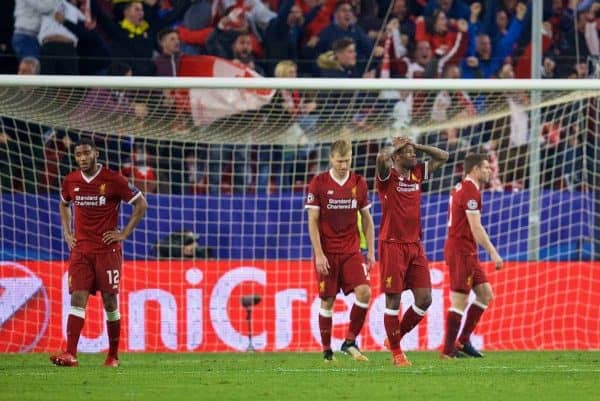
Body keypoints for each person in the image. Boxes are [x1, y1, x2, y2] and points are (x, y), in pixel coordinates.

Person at [50, 138, 148, 367]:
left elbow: (141, 204)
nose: (82, 158)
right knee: (77, 298)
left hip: (107, 250)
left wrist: (123, 233)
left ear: (96, 154)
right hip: (81, 250)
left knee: (110, 301)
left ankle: (113, 356)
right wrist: (67, 231)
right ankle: (70, 354)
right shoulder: (71, 180)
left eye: (86, 153)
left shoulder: (114, 180)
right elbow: (63, 204)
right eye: (78, 155)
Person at [375, 136, 448, 366]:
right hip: (392, 244)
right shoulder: (387, 177)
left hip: (415, 245)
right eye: (407, 153)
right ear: (396, 156)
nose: (412, 155)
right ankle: (397, 354)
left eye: (412, 152)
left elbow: (443, 156)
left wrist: (417, 146)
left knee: (425, 298)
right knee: (393, 300)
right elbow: (380, 157)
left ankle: (394, 338)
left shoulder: (417, 173)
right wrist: (397, 146)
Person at [305, 139, 376, 362]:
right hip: (327, 252)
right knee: (327, 300)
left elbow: (367, 219)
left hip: (351, 250)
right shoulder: (319, 183)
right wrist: (318, 253)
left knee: (365, 292)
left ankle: (349, 341)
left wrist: (371, 251)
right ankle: (327, 351)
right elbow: (312, 220)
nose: (344, 165)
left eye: (347, 161)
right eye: (339, 161)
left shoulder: (359, 182)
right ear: (331, 158)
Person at [441, 153, 503, 358]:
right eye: (486, 167)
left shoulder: (464, 188)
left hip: (466, 250)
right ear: (475, 169)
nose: (489, 170)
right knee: (460, 300)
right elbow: (476, 228)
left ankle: (463, 341)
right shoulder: (469, 191)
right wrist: (493, 253)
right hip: (461, 251)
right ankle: (448, 350)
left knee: (485, 294)